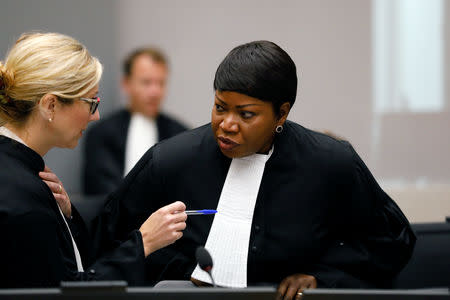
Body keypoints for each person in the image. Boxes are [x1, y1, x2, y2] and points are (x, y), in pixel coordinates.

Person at [94, 41, 414, 299]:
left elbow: (393, 241)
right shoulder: (170, 161)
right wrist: (182, 272)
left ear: (281, 114)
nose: (227, 125)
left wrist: (324, 277)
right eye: (220, 107)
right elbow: (108, 242)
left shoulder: (331, 163)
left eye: (246, 115)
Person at [0, 32, 187, 288]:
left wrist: (65, 215)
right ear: (50, 106)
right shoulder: (23, 198)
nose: (95, 116)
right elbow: (71, 291)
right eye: (91, 102)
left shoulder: (23, 176)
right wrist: (143, 242)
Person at [82, 47, 188, 196]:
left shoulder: (181, 135)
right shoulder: (101, 134)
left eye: (161, 83)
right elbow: (101, 191)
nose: (155, 92)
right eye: (146, 82)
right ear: (126, 84)